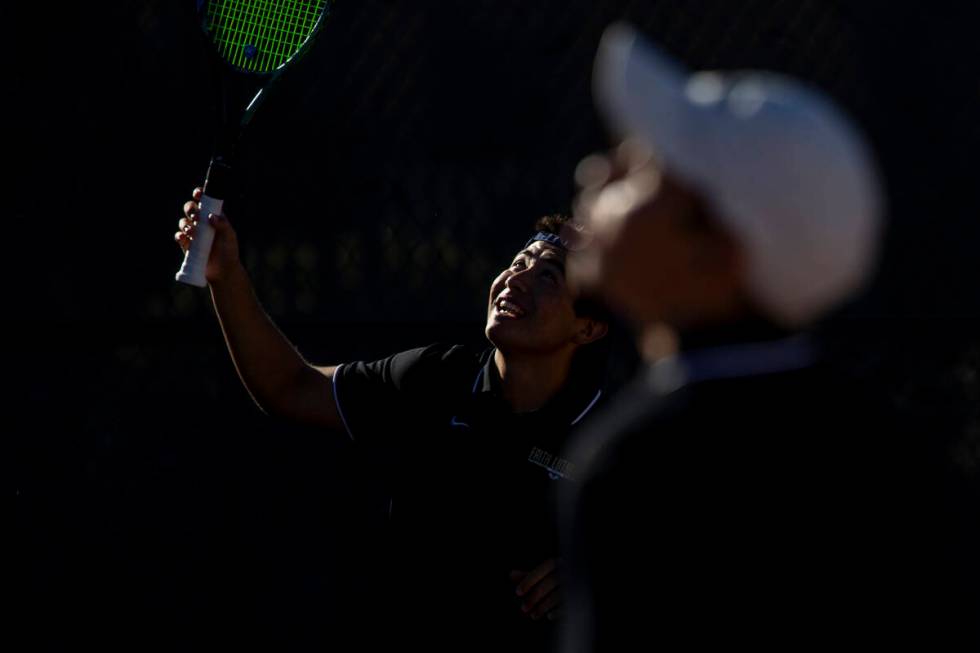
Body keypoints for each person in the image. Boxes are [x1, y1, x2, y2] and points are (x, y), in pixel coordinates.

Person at [555, 23, 957, 650]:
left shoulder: (639, 472)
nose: (598, 170)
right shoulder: (899, 460)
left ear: (718, 254)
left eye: (643, 170)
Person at [174, 205, 616, 650]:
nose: (516, 279)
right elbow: (289, 387)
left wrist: (594, 576)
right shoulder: (434, 378)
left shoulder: (617, 437)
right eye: (519, 263)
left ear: (588, 328)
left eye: (549, 277)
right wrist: (225, 276)